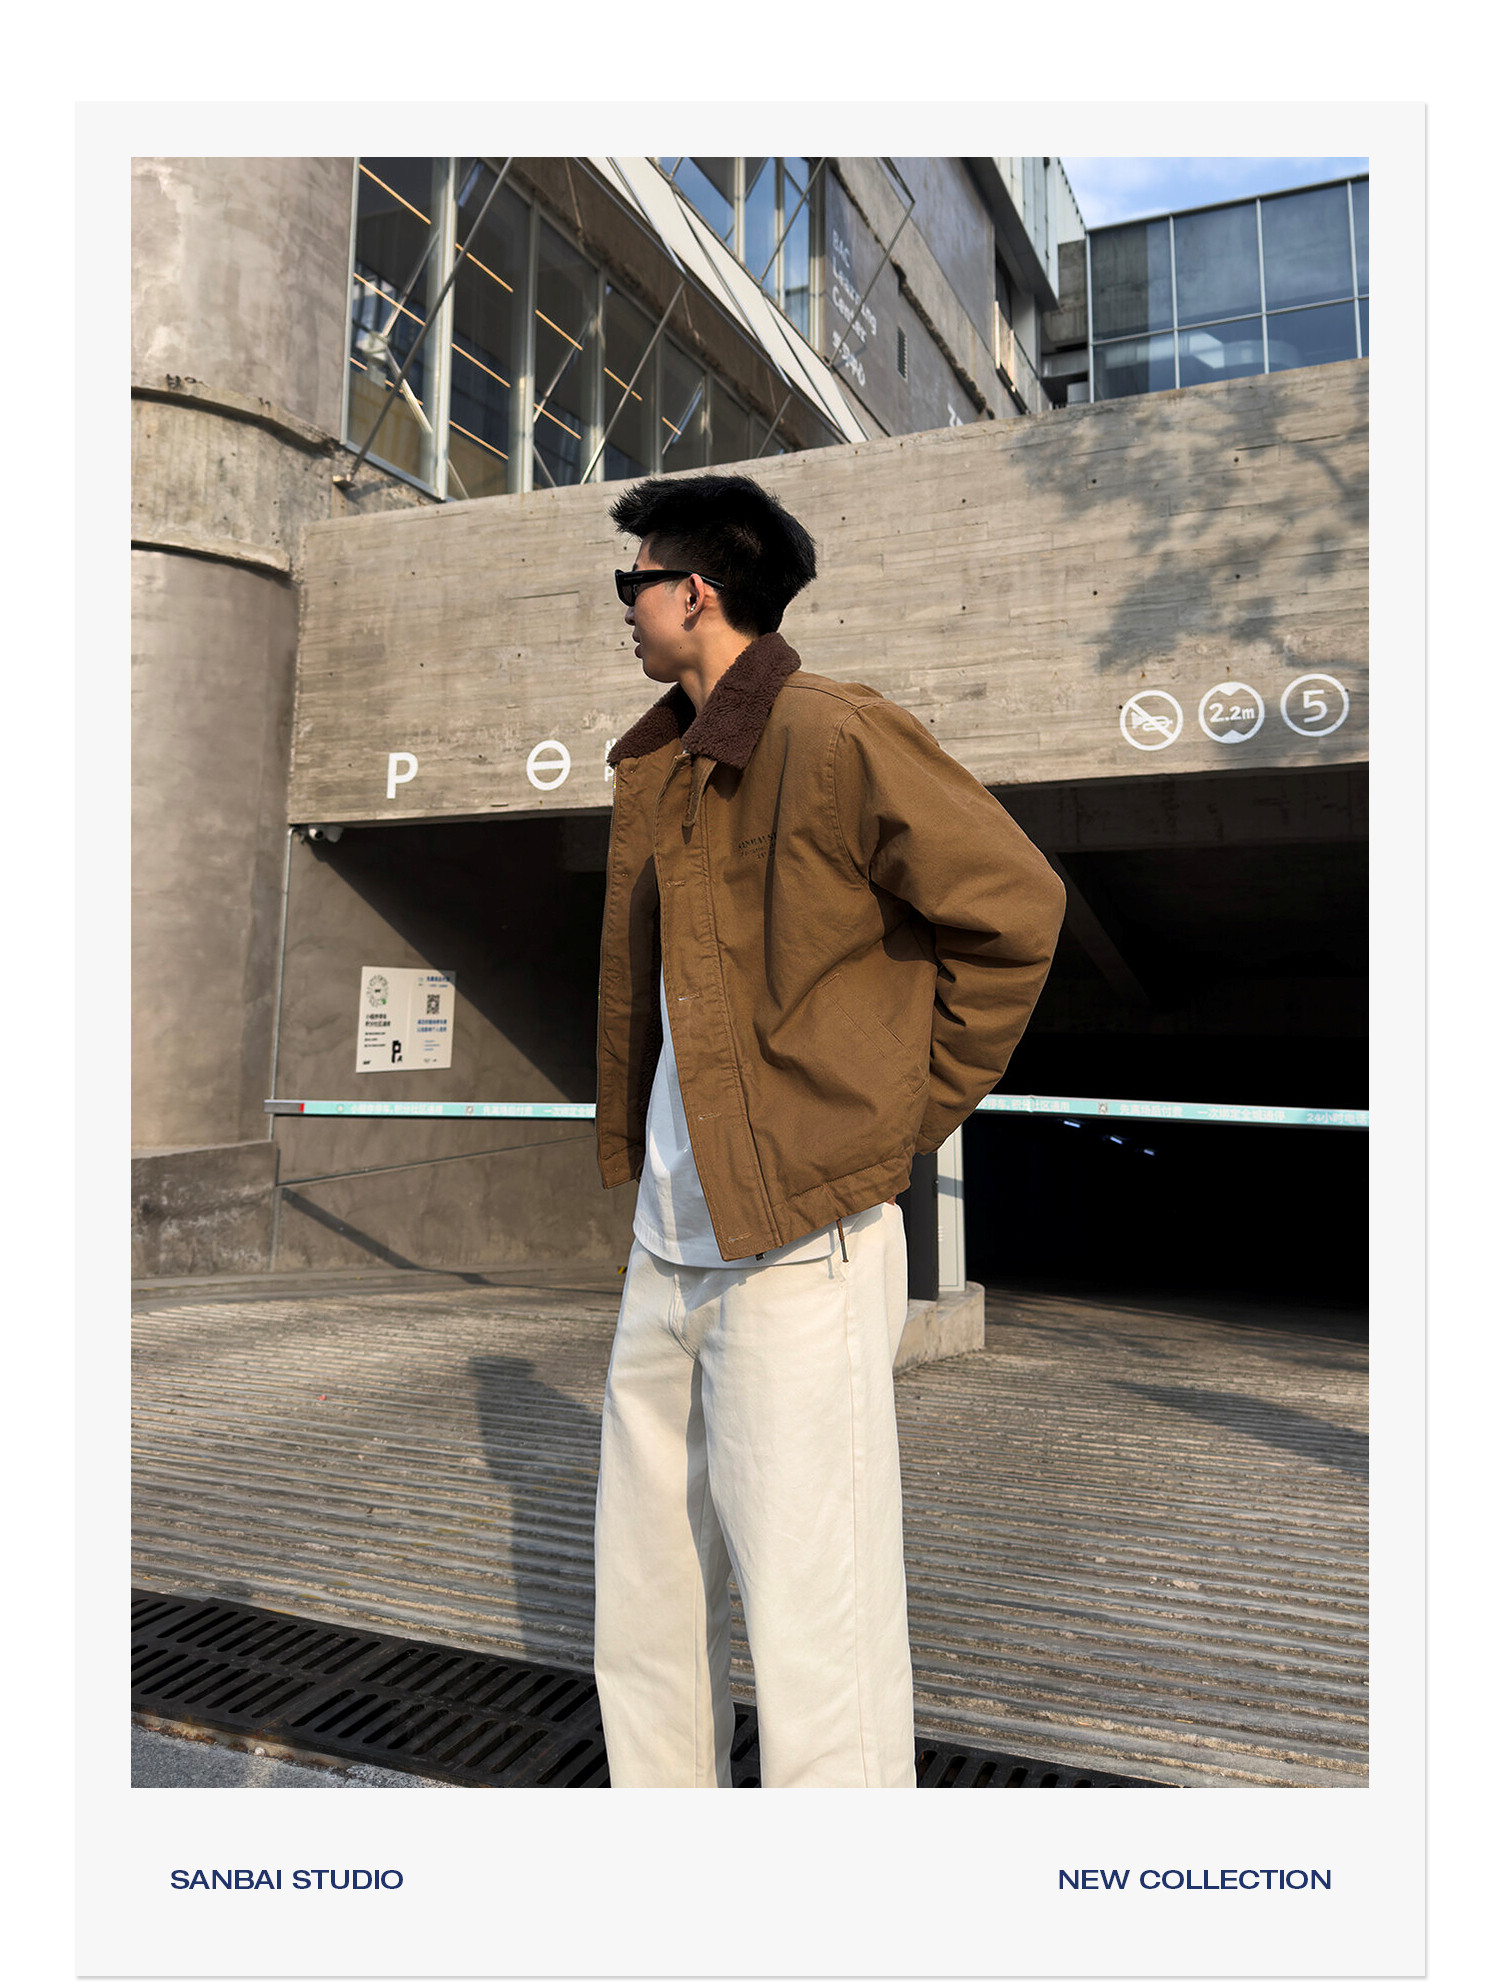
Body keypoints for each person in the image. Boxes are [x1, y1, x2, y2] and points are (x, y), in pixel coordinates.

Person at [592, 472, 1065, 1788]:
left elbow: (1017, 908)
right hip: (669, 1243)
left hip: (803, 1245)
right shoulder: (664, 764)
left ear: (696, 593)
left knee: (819, 1623)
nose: (623, 607)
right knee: (643, 1607)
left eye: (634, 582)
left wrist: (899, 1115)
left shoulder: (837, 733)